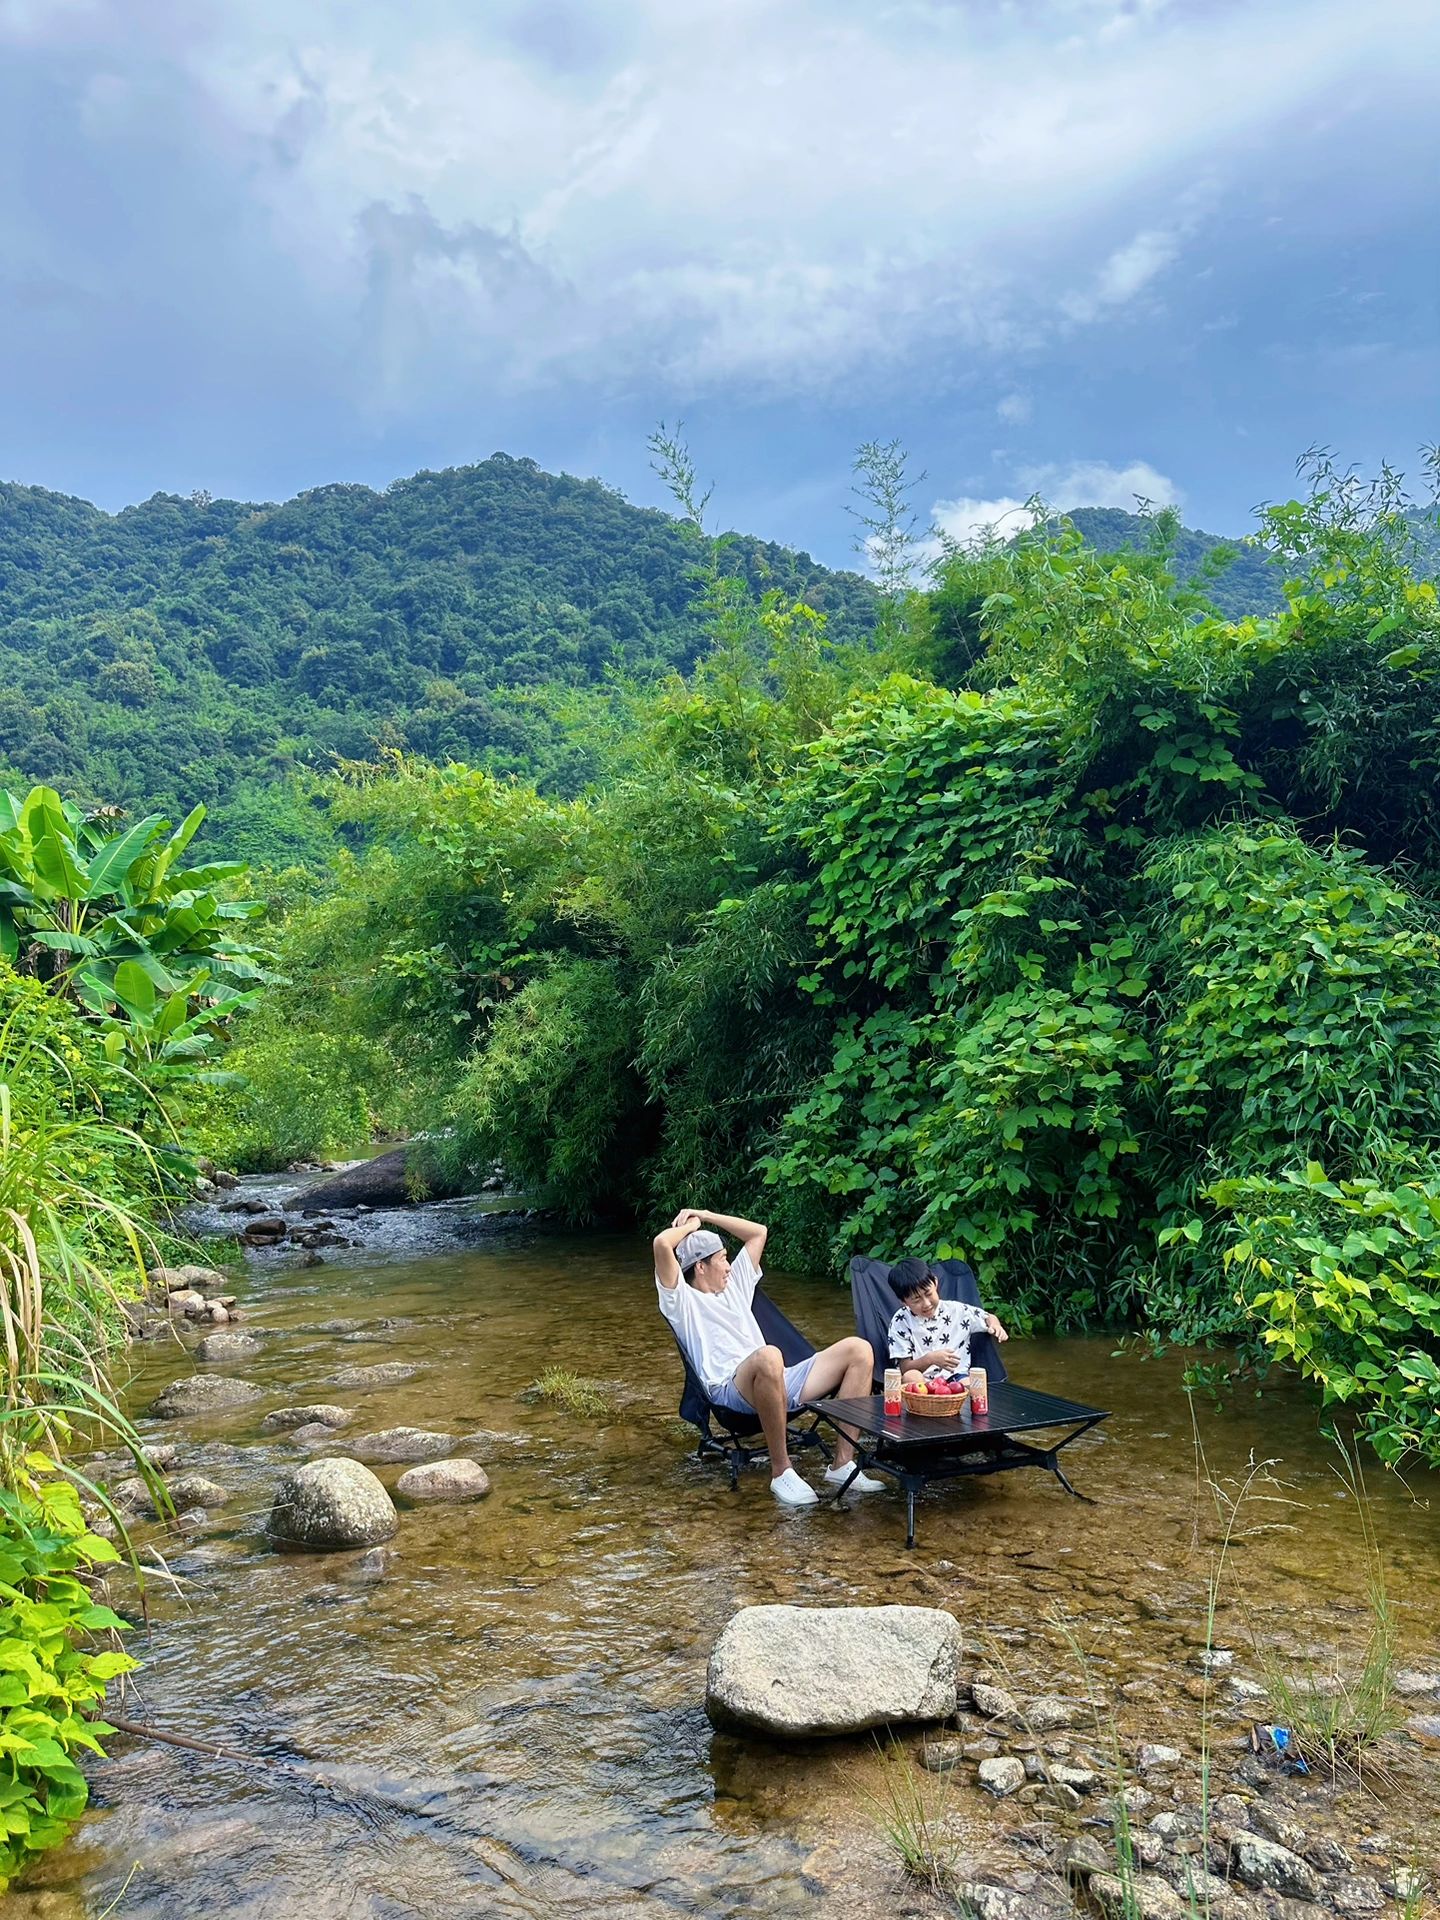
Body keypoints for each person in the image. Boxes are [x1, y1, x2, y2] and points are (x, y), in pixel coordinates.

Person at [655, 1206, 884, 1508]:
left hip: (777, 1379)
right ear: (700, 1266)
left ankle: (842, 1465)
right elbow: (661, 1244)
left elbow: (758, 1232)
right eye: (723, 1258)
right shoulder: (681, 1301)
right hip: (730, 1390)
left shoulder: (734, 1286)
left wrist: (707, 1215)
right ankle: (781, 1471)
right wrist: (691, 1226)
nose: (728, 1266)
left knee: (859, 1349)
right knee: (768, 1356)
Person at [886, 1257, 1009, 1390]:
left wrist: (995, 1325)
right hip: (921, 1381)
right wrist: (930, 1359)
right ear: (903, 1302)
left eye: (928, 1293)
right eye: (916, 1300)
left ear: (935, 1283)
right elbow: (905, 1368)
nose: (926, 1304)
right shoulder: (901, 1321)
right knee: (911, 1376)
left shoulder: (957, 1311)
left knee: (972, 1385)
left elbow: (987, 1317)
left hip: (956, 1376)